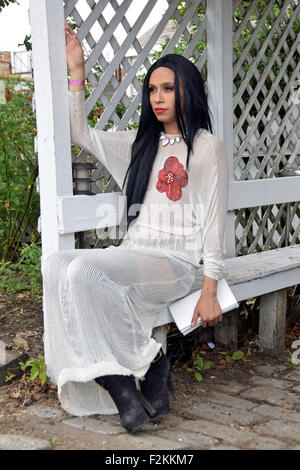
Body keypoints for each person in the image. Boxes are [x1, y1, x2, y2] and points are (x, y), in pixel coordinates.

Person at [40, 21, 229, 434]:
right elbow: (79, 133)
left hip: (179, 262)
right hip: (134, 254)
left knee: (85, 272)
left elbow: (214, 223)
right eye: (152, 90)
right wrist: (77, 71)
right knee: (57, 265)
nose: (157, 98)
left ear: (187, 91)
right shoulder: (141, 143)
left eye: (168, 88)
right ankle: (133, 381)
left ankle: (141, 369)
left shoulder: (207, 148)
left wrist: (210, 290)